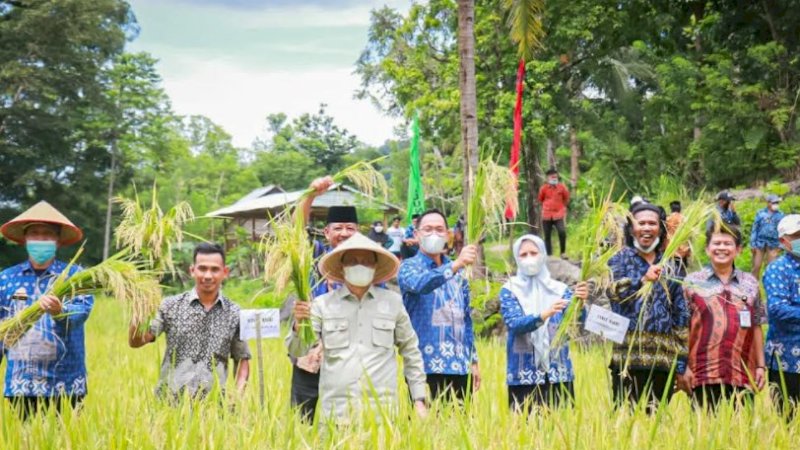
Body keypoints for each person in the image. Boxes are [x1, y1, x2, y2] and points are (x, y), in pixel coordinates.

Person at [288, 233, 427, 421]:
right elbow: (298, 350)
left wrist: (418, 399)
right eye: (353, 261)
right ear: (342, 267)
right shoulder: (322, 305)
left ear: (375, 267)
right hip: (336, 417)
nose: (360, 265)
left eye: (367, 261)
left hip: (382, 416)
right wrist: (299, 325)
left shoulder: (393, 303)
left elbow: (411, 351)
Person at [0, 201, 92, 418]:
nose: (40, 239)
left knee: (67, 441)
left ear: (58, 241)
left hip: (66, 383)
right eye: (34, 233)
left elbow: (81, 312)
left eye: (47, 234)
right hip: (21, 384)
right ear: (24, 240)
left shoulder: (75, 276)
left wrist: (60, 310)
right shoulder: (6, 278)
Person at [128, 243, 250, 400]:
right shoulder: (170, 306)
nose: (207, 275)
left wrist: (238, 395)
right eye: (202, 268)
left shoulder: (234, 313)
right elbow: (137, 341)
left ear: (224, 272)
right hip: (169, 404)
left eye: (214, 269)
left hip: (214, 407)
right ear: (192, 270)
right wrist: (138, 312)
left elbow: (242, 359)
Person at [287, 176, 363, 421]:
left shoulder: (369, 263)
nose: (344, 233)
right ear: (326, 232)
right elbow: (295, 232)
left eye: (350, 228)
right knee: (302, 421)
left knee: (348, 423)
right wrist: (311, 195)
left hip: (350, 358)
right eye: (338, 228)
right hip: (311, 354)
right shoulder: (315, 256)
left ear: (358, 232)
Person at [607, 201, 690, 412]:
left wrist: (681, 364)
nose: (646, 228)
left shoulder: (672, 264)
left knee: (657, 426)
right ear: (631, 228)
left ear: (660, 229)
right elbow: (614, 293)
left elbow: (681, 315)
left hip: (663, 360)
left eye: (652, 223)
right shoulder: (619, 259)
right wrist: (642, 279)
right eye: (640, 223)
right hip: (626, 359)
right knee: (624, 424)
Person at [398, 209, 480, 402]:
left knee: (461, 427)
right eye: (427, 229)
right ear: (416, 235)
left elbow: (466, 319)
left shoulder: (459, 274)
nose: (433, 234)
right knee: (425, 429)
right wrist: (456, 265)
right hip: (424, 366)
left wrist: (473, 361)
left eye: (439, 229)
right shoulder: (409, 267)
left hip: (459, 365)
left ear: (447, 235)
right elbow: (422, 284)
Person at [499, 235, 589, 412]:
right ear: (517, 258)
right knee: (525, 430)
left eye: (534, 252)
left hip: (558, 374)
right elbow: (514, 323)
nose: (529, 258)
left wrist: (580, 303)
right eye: (523, 255)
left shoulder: (560, 290)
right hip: (524, 374)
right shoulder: (510, 290)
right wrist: (544, 315)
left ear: (543, 255)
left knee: (562, 431)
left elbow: (576, 324)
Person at [682, 225, 766, 409]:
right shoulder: (692, 282)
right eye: (717, 243)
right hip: (702, 373)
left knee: (741, 433)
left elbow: (757, 325)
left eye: (728, 243)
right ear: (707, 249)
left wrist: (761, 366)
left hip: (743, 373)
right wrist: (683, 367)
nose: (722, 248)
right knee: (703, 432)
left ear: (738, 250)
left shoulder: (750, 283)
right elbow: (682, 327)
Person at [763, 214, 800, 418]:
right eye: (797, 236)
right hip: (787, 358)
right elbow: (777, 309)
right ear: (783, 241)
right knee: (787, 418)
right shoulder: (777, 269)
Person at [750, 194, 785, 278]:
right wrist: (752, 244)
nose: (776, 204)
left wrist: (781, 246)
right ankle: (753, 288)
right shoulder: (760, 213)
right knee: (756, 266)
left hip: (773, 245)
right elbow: (755, 228)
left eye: (777, 202)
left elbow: (783, 231)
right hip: (759, 243)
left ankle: (770, 287)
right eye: (774, 202)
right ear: (768, 203)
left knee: (771, 268)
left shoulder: (780, 215)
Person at [538, 168, 570, 258]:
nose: (554, 178)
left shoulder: (562, 187)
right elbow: (540, 199)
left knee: (562, 232)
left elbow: (566, 198)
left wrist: (561, 208)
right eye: (552, 177)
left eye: (555, 177)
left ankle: (563, 253)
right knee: (547, 235)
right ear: (547, 178)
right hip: (546, 215)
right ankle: (549, 255)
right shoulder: (543, 188)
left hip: (558, 214)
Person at [665, 200, 691, 274]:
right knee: (682, 268)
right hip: (682, 247)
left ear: (671, 208)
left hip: (670, 246)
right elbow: (689, 235)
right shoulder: (685, 219)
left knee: (670, 268)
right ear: (680, 208)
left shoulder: (668, 219)